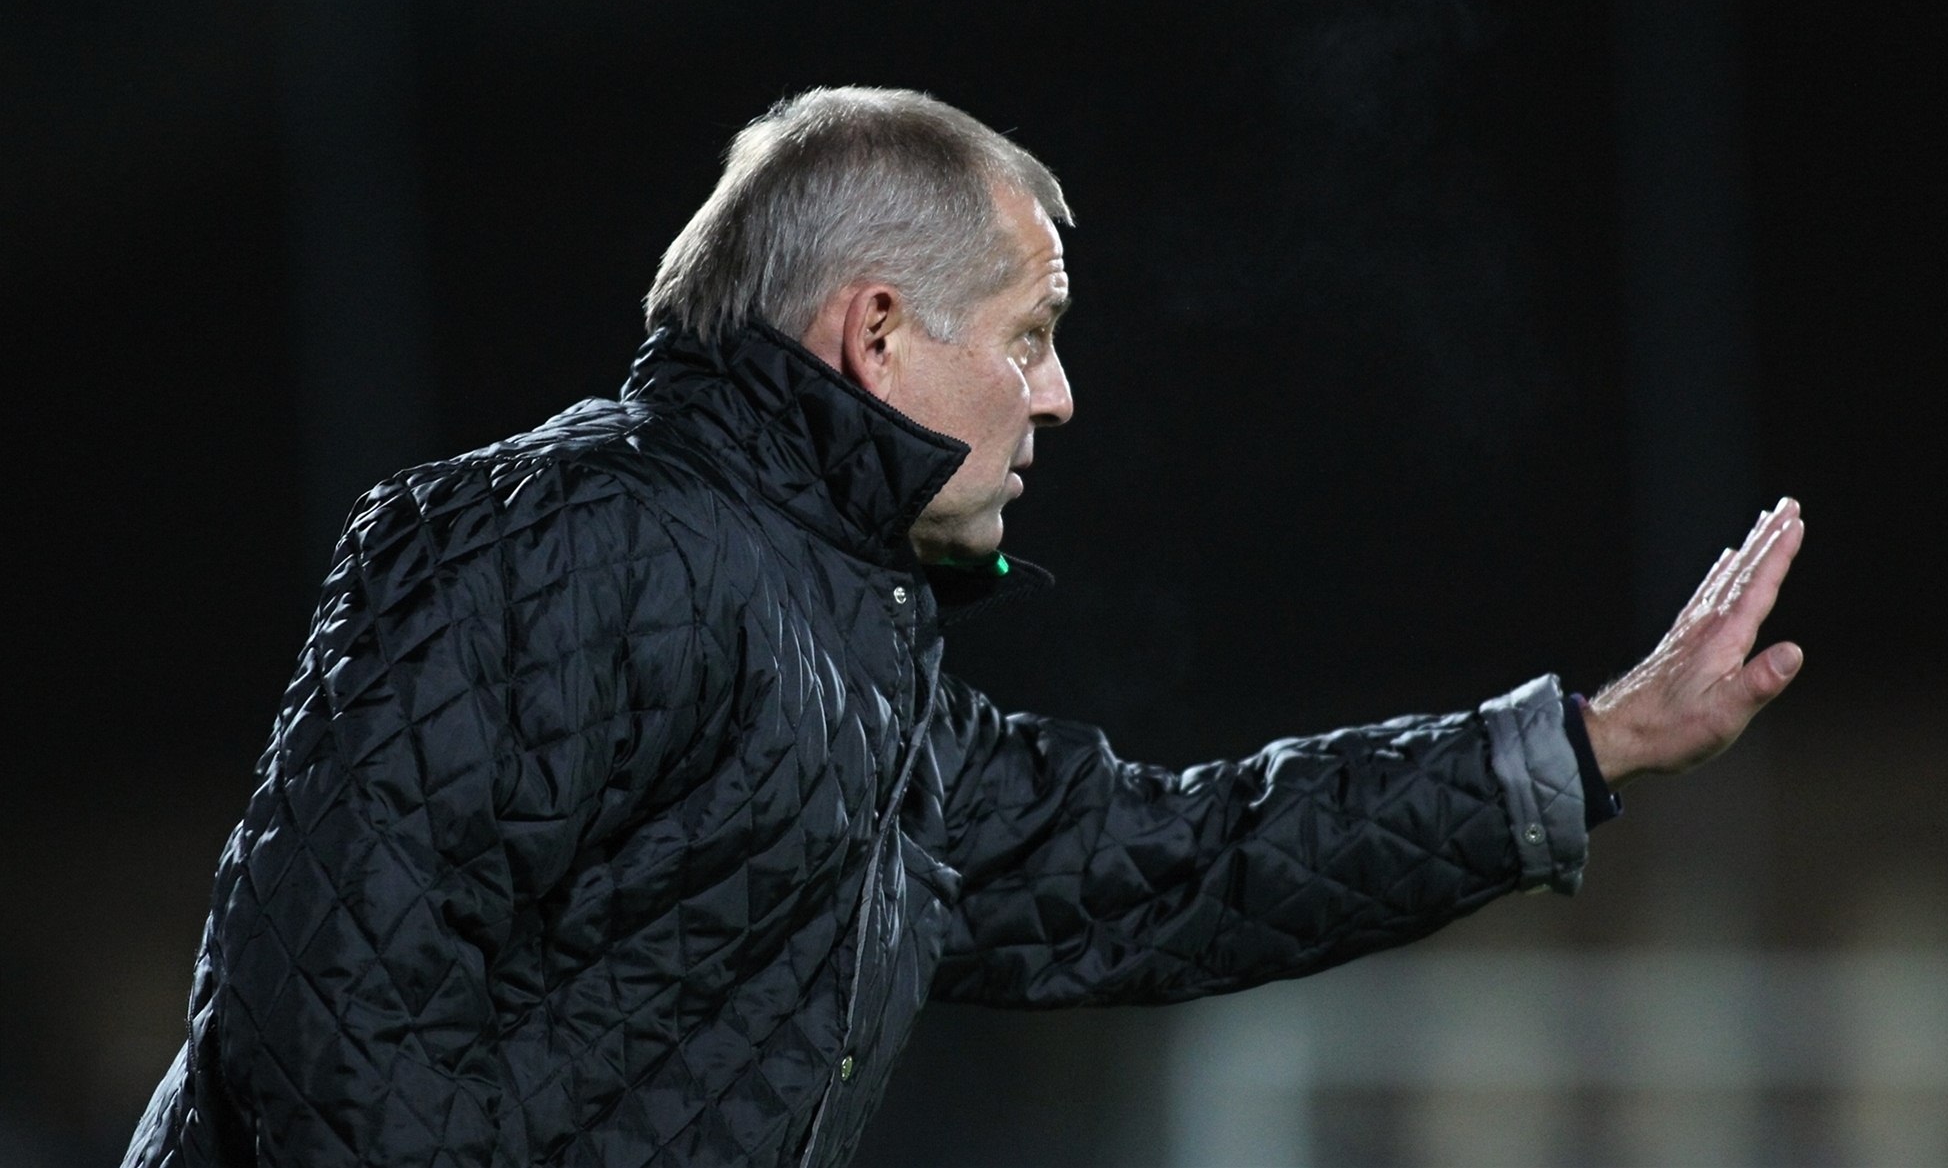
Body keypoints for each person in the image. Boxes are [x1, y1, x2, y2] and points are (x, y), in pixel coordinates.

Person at [124, 86, 1804, 1168]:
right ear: (876, 335)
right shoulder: (562, 535)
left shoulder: (865, 677)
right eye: (1030, 333)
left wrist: (1586, 743)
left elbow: (1177, 867)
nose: (1058, 396)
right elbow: (315, 1020)